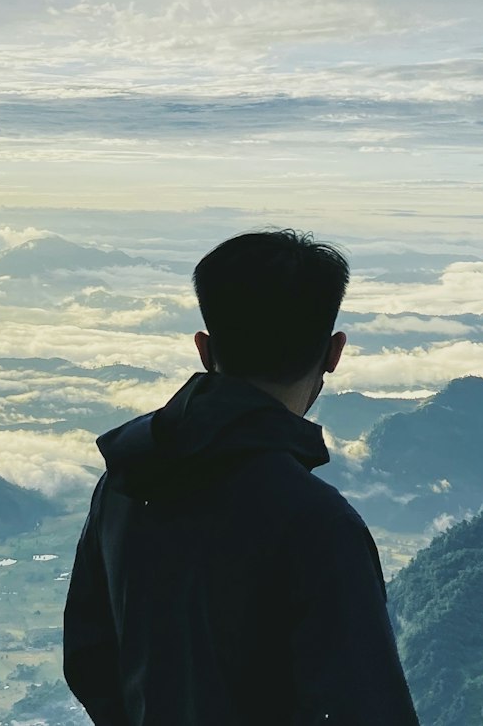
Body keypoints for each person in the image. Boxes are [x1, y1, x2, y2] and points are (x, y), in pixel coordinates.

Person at [63, 228, 420, 725]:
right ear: (334, 353)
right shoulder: (318, 523)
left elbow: (89, 659)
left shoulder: (127, 477)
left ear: (204, 349)